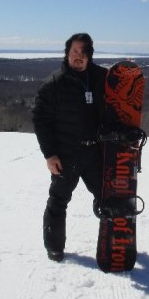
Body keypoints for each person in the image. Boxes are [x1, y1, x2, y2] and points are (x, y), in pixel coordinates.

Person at [32, 33, 107, 262]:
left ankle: (113, 244)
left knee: (108, 198)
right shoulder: (54, 84)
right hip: (66, 154)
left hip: (95, 152)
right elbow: (40, 120)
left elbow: (120, 101)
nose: (79, 56)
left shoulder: (101, 78)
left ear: (89, 56)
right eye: (75, 51)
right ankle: (54, 247)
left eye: (83, 52)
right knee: (58, 200)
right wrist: (50, 154)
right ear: (67, 53)